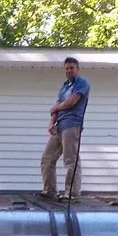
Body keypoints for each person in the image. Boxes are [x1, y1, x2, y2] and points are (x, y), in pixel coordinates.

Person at [40, 57, 90, 202]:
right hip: (59, 126)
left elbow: (71, 102)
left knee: (71, 160)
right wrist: (51, 123)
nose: (69, 70)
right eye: (66, 68)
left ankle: (72, 193)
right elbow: (55, 108)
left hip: (72, 124)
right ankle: (49, 191)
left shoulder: (82, 83)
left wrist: (57, 107)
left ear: (77, 69)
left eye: (71, 68)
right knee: (47, 159)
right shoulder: (64, 87)